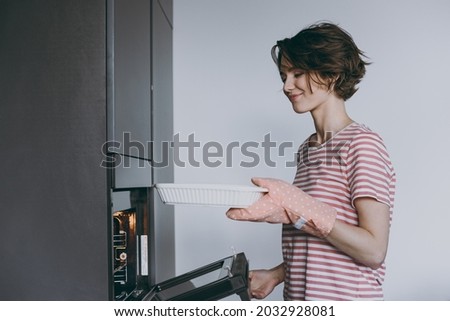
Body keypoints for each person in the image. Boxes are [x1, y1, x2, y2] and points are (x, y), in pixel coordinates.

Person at [226, 22, 396, 301]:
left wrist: (299, 206)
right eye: (283, 75)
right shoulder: (309, 149)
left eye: (298, 74)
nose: (286, 85)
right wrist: (277, 274)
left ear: (331, 75)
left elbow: (373, 250)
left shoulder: (361, 144)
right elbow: (318, 239)